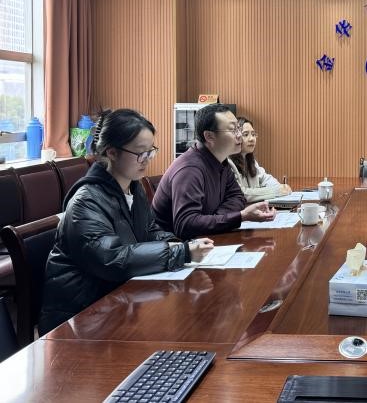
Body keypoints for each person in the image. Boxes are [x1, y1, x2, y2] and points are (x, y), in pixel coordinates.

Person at [38, 109, 214, 334]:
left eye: (150, 151)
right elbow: (110, 259)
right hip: (78, 319)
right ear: (112, 152)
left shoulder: (133, 187)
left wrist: (181, 244)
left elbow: (150, 231)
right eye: (140, 153)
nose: (147, 159)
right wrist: (181, 253)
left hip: (117, 302)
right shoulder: (86, 201)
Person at [152, 103, 275, 239]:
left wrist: (217, 218)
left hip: (208, 238)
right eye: (233, 130)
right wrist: (239, 217)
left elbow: (237, 197)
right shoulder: (189, 169)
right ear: (209, 136)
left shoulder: (221, 161)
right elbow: (186, 225)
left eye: (238, 128)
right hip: (179, 245)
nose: (240, 135)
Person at [228, 117, 291, 203]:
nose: (252, 139)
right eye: (245, 135)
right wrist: (276, 191)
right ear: (236, 137)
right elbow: (242, 193)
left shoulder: (250, 160)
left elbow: (265, 178)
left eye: (253, 134)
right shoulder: (229, 163)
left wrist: (281, 187)